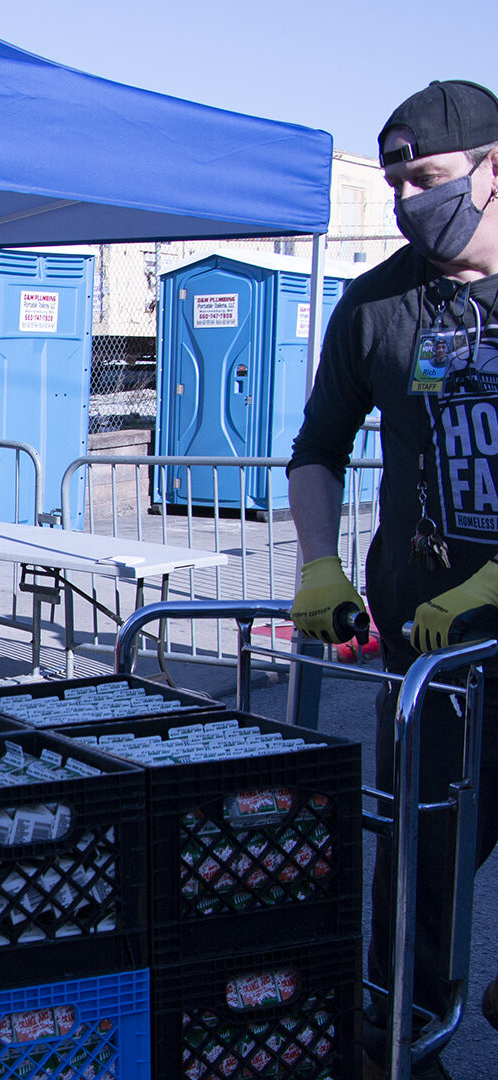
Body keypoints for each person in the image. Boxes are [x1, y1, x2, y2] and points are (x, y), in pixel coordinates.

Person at [289, 80, 498, 1080]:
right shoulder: (375, 305)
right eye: (393, 181)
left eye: (427, 177)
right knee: (422, 861)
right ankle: (396, 1044)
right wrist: (318, 561)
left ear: (494, 167)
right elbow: (316, 448)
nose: (409, 198)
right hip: (433, 649)